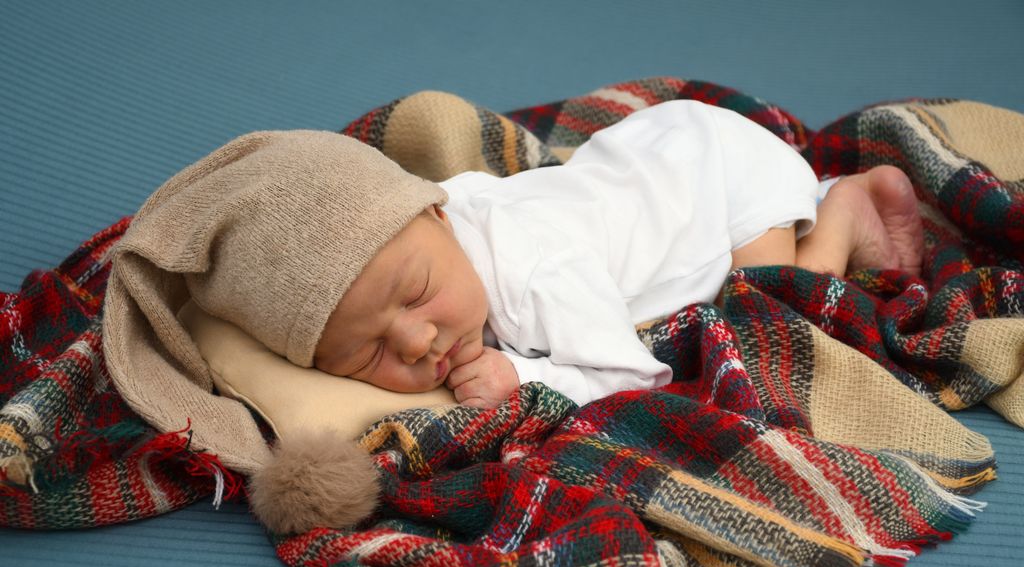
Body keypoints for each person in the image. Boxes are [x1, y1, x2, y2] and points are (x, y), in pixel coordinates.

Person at [313, 100, 924, 409]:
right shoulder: (435, 215)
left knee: (774, 315)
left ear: (440, 218)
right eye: (369, 354)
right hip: (660, 152)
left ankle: (841, 211)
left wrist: (525, 377)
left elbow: (636, 374)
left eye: (417, 294)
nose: (416, 343)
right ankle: (818, 201)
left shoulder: (537, 280)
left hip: (723, 178)